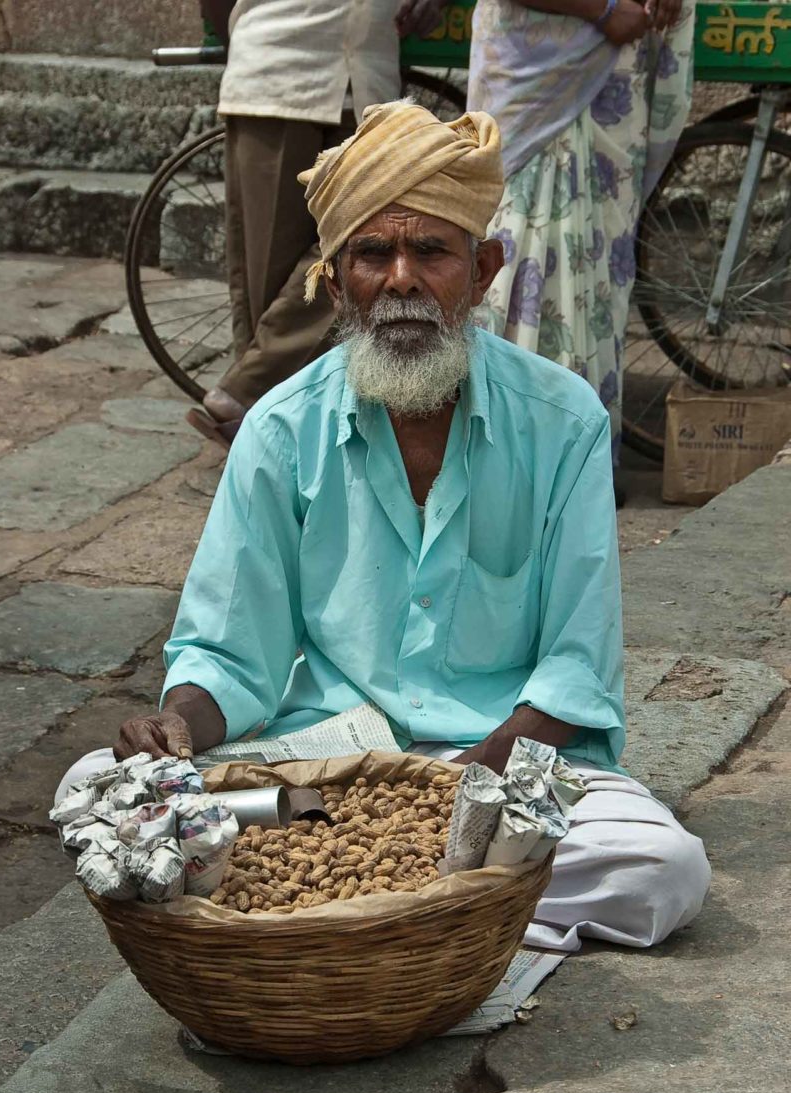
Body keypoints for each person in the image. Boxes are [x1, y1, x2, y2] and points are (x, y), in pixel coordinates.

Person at [57, 102, 709, 952]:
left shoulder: (565, 421)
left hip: (502, 765)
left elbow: (576, 669)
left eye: (430, 252)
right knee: (100, 788)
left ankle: (359, 917)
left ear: (483, 271)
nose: (402, 278)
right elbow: (227, 652)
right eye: (373, 253)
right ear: (335, 282)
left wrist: (444, 799)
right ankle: (452, 911)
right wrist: (176, 724)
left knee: (661, 869)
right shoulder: (280, 430)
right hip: (319, 777)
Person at [192, 0, 445, 447]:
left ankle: (249, 393)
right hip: (278, 72)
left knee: (366, 242)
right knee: (267, 276)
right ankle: (269, 430)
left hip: (370, 84)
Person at [466, 0, 694, 471]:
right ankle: (505, 467)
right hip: (533, 69)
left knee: (598, 277)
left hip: (614, 72)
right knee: (509, 266)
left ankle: (577, 472)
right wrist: (603, 10)